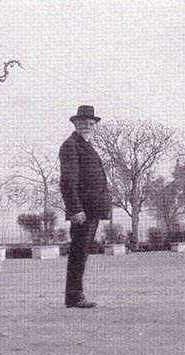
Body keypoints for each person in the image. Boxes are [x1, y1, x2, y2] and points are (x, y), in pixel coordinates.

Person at [59, 105, 111, 308]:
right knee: (79, 252)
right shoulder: (71, 145)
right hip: (83, 211)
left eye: (91, 123)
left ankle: (75, 294)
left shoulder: (86, 145)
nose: (88, 126)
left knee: (82, 251)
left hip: (93, 209)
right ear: (75, 124)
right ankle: (73, 296)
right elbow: (67, 181)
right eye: (84, 123)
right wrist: (75, 209)